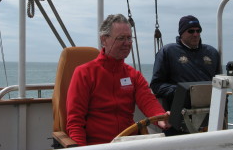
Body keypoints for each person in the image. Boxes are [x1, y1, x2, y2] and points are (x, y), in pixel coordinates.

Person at [66, 13, 170, 146]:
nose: (127, 43)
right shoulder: (84, 73)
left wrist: (161, 118)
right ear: (104, 40)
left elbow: (148, 101)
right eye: (121, 38)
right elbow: (75, 122)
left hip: (128, 143)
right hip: (97, 145)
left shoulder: (134, 75)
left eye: (129, 38)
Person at [150, 15, 221, 135]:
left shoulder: (212, 53)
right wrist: (180, 91)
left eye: (198, 31)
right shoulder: (168, 52)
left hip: (209, 121)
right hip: (178, 121)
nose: (196, 34)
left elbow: (219, 84)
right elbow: (156, 84)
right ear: (181, 33)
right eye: (191, 31)